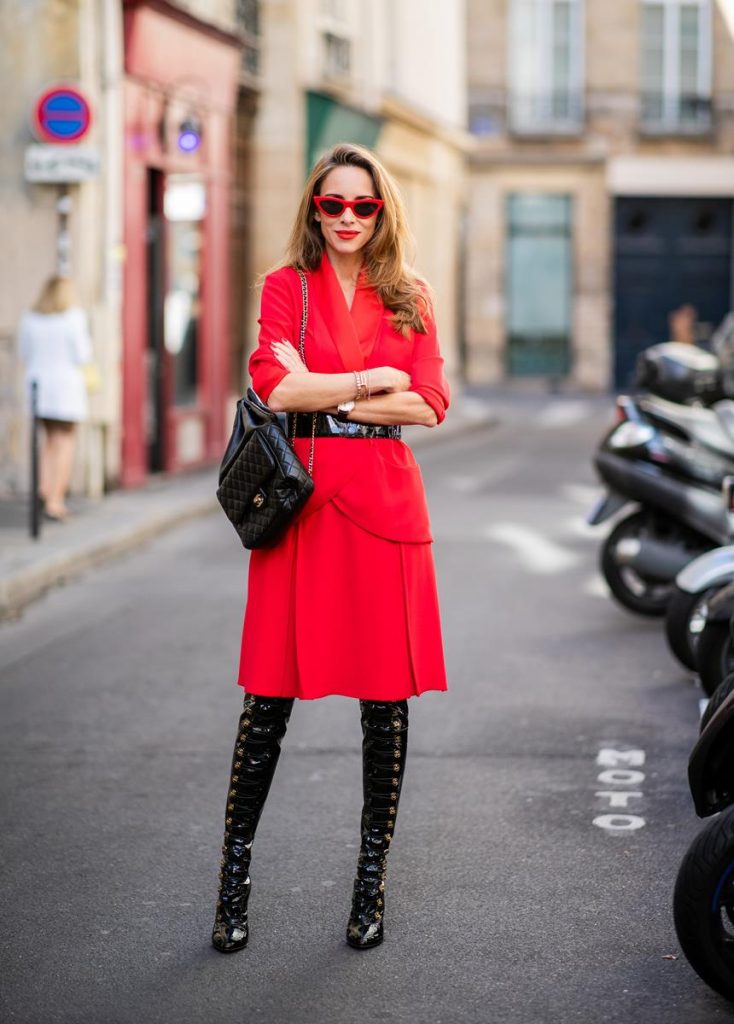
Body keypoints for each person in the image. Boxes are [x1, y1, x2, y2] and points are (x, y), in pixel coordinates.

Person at [212, 142, 450, 954]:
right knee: (266, 704)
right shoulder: (287, 289)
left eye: (363, 205)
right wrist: (372, 383)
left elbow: (432, 404)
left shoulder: (410, 294)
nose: (346, 218)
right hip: (301, 508)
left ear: (382, 211)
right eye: (332, 204)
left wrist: (333, 385)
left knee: (385, 708)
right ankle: (232, 886)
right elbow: (274, 389)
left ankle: (369, 886)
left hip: (384, 510)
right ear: (313, 208)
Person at [18, 276, 93, 521]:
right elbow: (83, 355)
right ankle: (55, 500)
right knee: (64, 443)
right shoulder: (73, 318)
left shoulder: (30, 318)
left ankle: (43, 488)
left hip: (38, 387)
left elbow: (23, 352)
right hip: (65, 389)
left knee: (48, 441)